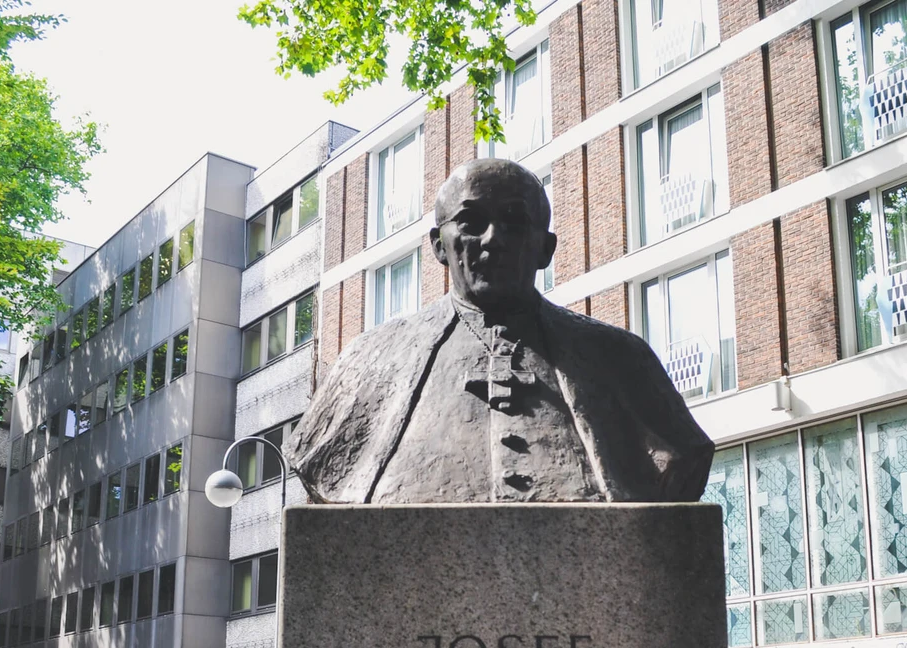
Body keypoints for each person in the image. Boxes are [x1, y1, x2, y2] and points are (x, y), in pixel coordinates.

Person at [285, 158, 714, 503]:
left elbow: (681, 457)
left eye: (514, 223)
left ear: (545, 249)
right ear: (439, 245)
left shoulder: (620, 358)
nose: (494, 239)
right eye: (471, 223)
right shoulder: (370, 361)